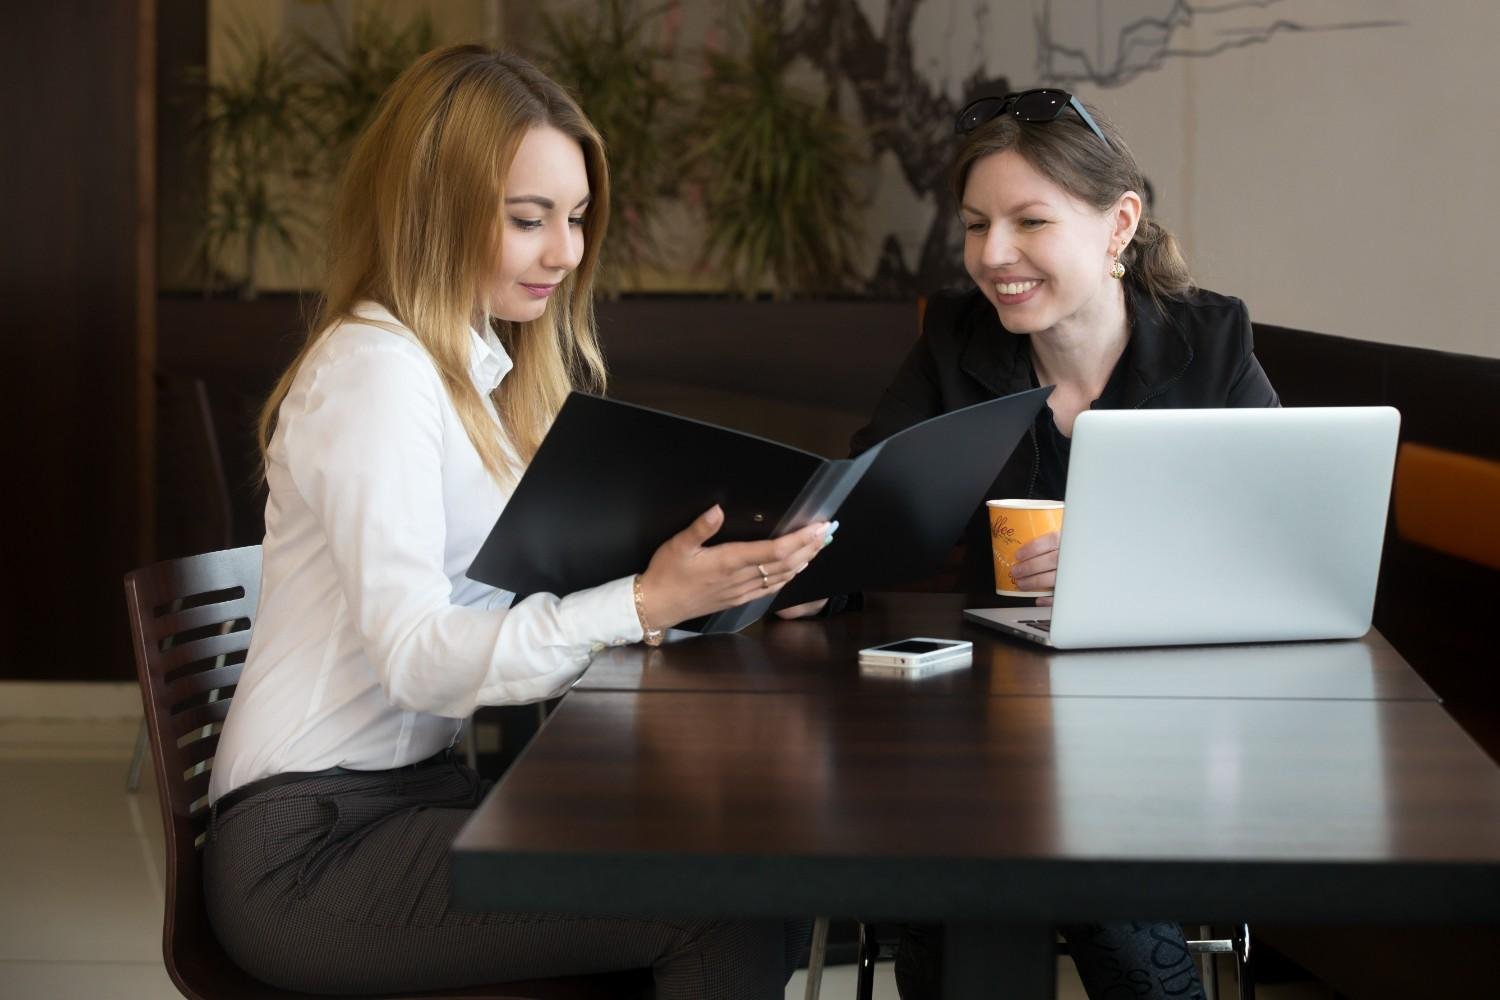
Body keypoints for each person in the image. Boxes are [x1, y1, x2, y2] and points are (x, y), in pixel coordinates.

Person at [202, 46, 829, 999]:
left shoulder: (472, 374)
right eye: (529, 219)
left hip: (410, 801)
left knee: (748, 867)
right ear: (433, 208)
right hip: (315, 850)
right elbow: (419, 654)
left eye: (575, 219)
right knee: (718, 895)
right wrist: (641, 601)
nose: (566, 252)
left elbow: (535, 591)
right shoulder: (377, 372)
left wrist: (718, 588)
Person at [780, 89, 1278, 999]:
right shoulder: (955, 346)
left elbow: (1274, 542)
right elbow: (861, 508)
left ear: (1118, 223)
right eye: (976, 226)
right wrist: (806, 571)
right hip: (981, 727)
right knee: (947, 878)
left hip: (1165, 726)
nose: (992, 257)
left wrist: (1119, 563)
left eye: (1029, 221)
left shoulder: (1210, 344)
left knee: (1101, 886)